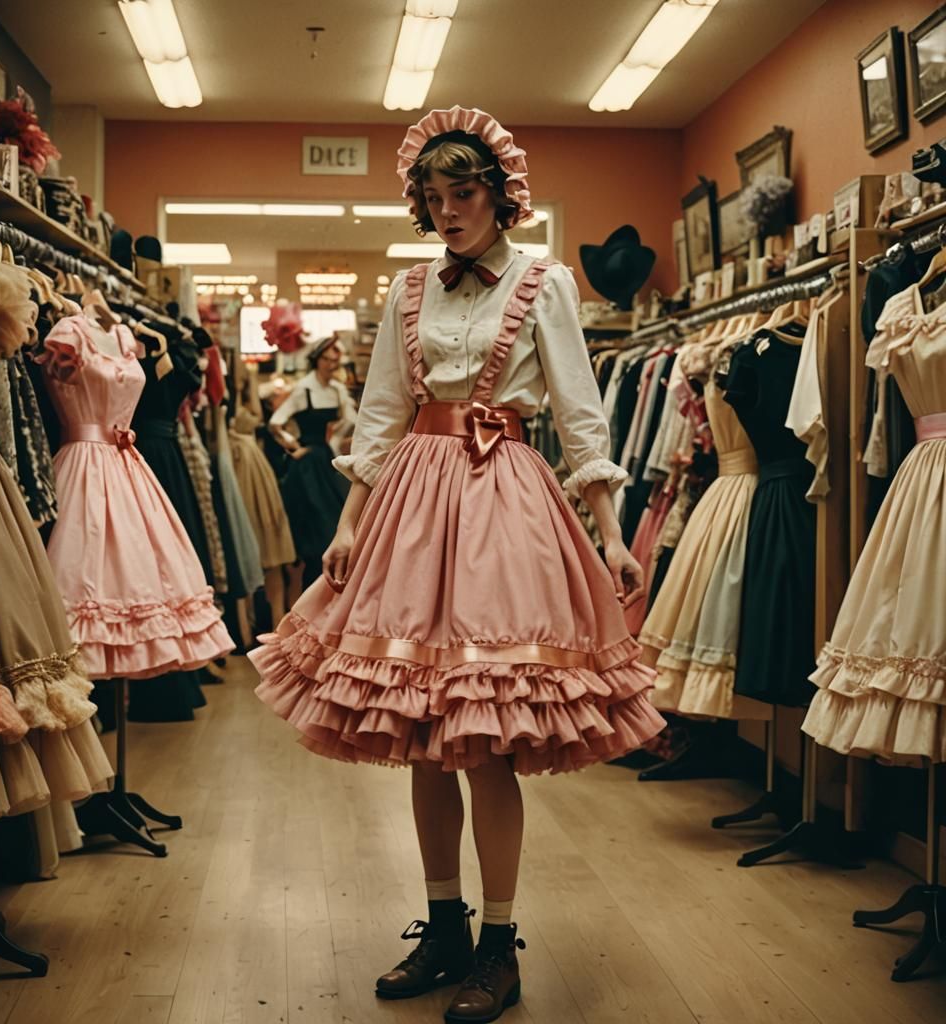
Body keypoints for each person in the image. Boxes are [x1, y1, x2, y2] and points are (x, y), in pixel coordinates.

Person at [251, 106, 665, 1024]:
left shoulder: (545, 282)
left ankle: (498, 944)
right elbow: (380, 412)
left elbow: (580, 411)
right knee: (420, 735)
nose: (447, 211)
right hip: (414, 501)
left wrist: (608, 530)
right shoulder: (409, 292)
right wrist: (351, 520)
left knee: (486, 738)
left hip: (506, 499)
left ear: (499, 193)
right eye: (432, 197)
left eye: (463, 192)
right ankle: (442, 926)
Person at [268, 336, 354, 588]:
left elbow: (351, 419)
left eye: (334, 360)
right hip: (306, 466)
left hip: (327, 460)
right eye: (325, 360)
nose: (330, 365)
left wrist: (337, 442)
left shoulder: (337, 390)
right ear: (316, 361)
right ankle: (311, 586)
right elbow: (275, 422)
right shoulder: (304, 388)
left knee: (336, 520)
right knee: (315, 528)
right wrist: (293, 445)